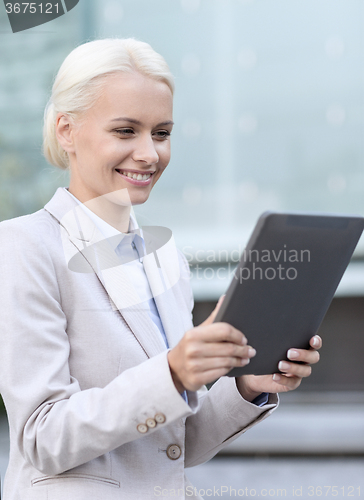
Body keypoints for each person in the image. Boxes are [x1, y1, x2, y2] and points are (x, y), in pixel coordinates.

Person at [0, 38, 321, 500]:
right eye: (126, 131)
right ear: (66, 130)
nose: (150, 154)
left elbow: (174, 445)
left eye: (162, 133)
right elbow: (42, 439)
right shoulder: (24, 247)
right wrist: (171, 373)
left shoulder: (163, 258)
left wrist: (249, 385)